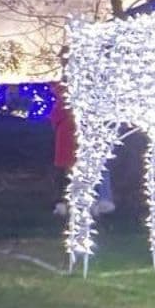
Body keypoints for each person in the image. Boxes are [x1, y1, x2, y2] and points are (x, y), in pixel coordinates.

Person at [50, 82, 114, 216]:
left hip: (77, 131)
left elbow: (57, 113)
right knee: (84, 166)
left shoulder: (67, 95)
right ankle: (91, 200)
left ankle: (73, 201)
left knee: (74, 168)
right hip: (77, 131)